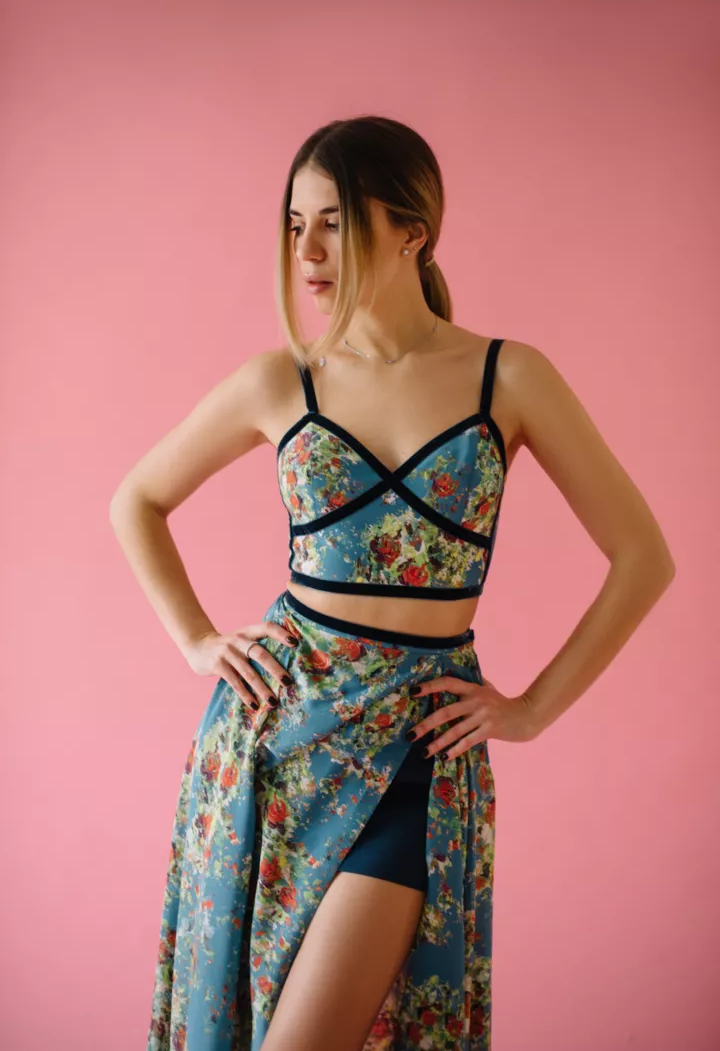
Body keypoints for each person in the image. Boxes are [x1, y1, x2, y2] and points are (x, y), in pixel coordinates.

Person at [110, 115, 675, 1051]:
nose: (307, 252)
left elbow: (643, 555)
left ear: (413, 229)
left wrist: (531, 708)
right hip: (273, 744)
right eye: (296, 225)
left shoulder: (508, 376)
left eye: (333, 222)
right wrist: (198, 640)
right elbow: (136, 499)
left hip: (417, 750)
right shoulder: (281, 381)